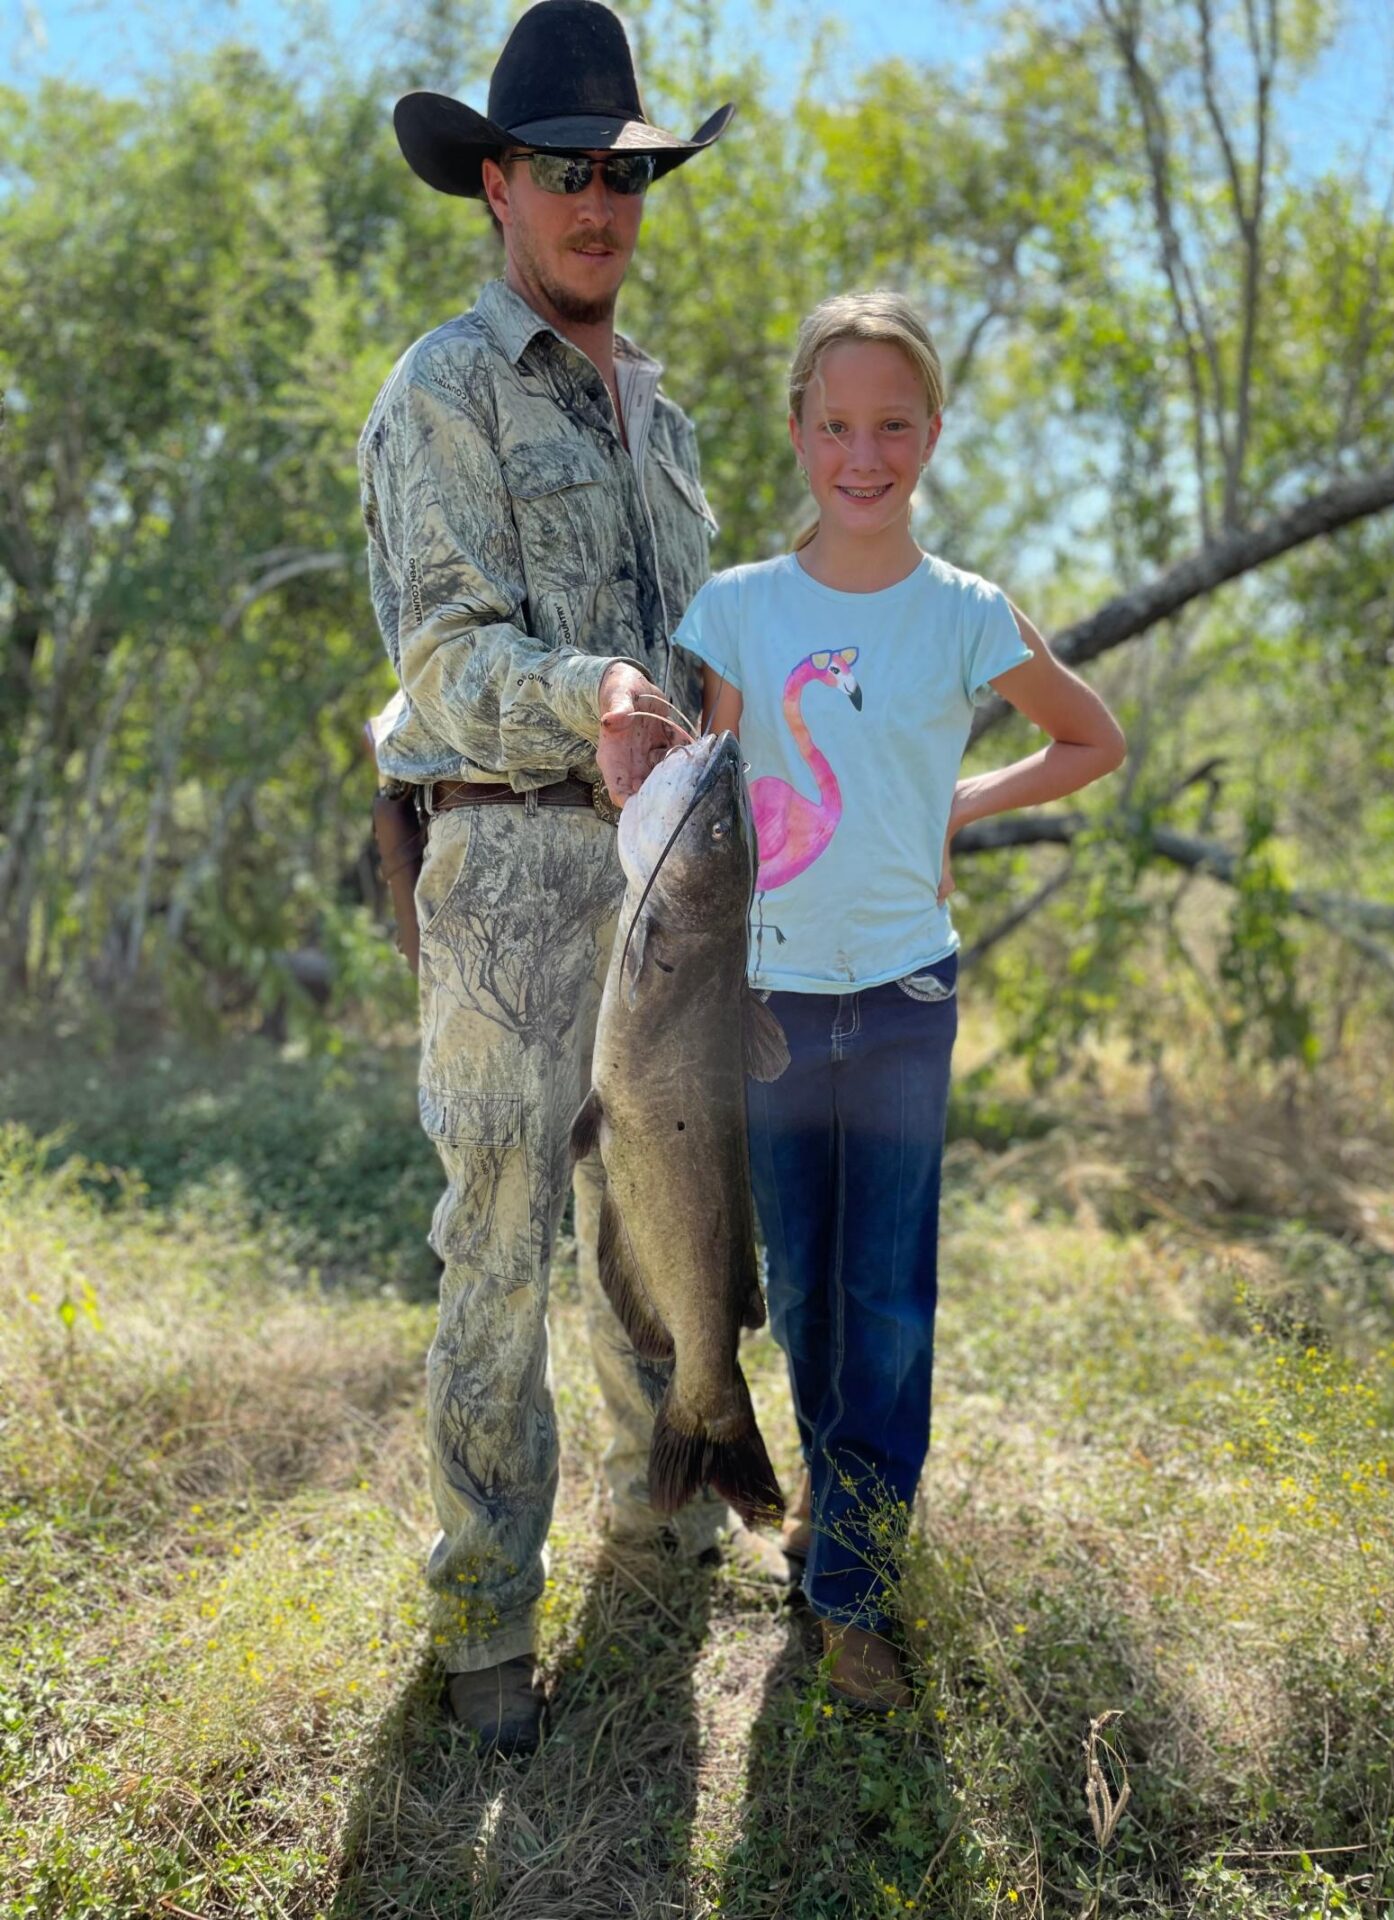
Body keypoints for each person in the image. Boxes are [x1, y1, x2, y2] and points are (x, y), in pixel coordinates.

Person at [357, 0, 781, 1757]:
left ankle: (661, 1505)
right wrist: (580, 693)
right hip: (511, 882)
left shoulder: (661, 415)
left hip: (669, 878)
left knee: (659, 1223)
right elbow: (444, 658)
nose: (599, 203)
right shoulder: (441, 389)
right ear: (495, 188)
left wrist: (704, 696)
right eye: (563, 172)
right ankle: (480, 1620)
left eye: (625, 173)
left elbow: (684, 651)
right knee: (503, 1241)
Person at [673, 290, 1127, 1711]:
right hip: (771, 1000)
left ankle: (857, 1586)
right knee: (803, 1287)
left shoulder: (963, 614)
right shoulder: (741, 610)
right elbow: (709, 805)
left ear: (930, 434)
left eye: (891, 426)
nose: (861, 455)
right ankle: (821, 1501)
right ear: (798, 431)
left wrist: (959, 800)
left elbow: (1090, 738)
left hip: (905, 990)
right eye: (835, 425)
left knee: (888, 1296)